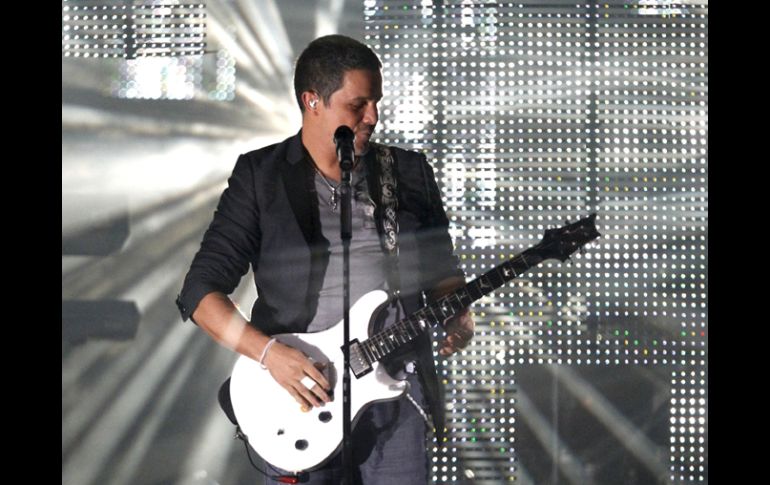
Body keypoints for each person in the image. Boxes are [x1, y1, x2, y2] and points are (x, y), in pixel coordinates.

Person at [176, 34, 474, 485]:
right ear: (312, 101)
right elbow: (200, 293)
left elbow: (443, 270)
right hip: (301, 399)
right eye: (358, 105)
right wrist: (270, 354)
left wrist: (460, 312)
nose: (373, 116)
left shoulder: (408, 172)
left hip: (397, 391)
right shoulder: (262, 176)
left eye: (376, 102)